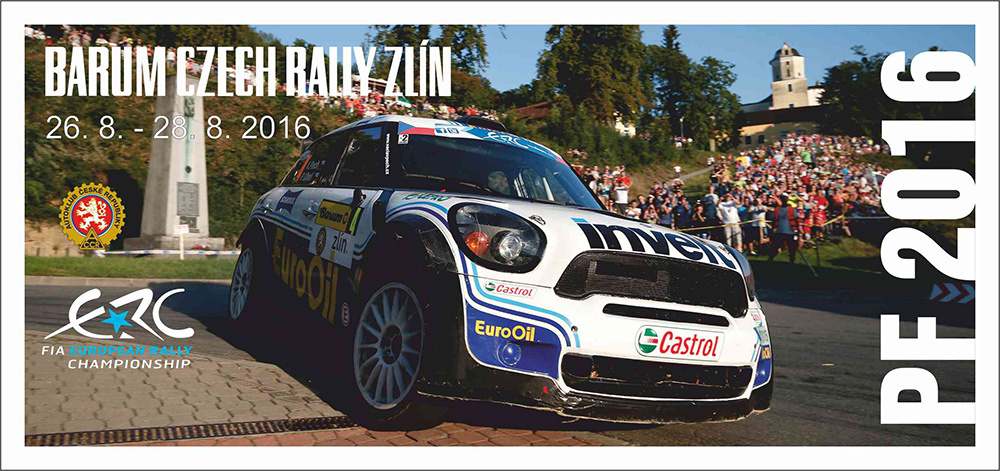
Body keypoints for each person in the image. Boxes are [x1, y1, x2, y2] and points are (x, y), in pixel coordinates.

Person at [768, 194, 801, 263]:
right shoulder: (777, 209)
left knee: (792, 248)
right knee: (774, 247)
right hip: (779, 232)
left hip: (790, 232)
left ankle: (792, 261)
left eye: (785, 198)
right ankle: (770, 260)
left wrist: (797, 231)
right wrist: (772, 231)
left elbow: (796, 221)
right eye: (783, 198)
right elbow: (774, 221)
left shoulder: (792, 209)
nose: (784, 200)